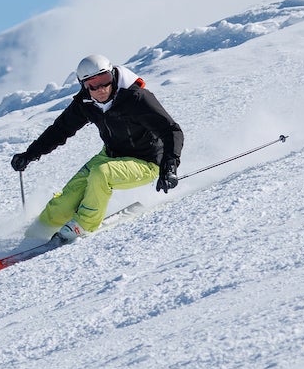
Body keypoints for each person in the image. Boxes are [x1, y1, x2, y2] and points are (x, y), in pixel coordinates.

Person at [10, 54, 185, 242]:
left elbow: (171, 130)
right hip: (109, 156)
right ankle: (35, 235)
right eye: (93, 84)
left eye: (105, 80)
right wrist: (29, 154)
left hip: (147, 161)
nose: (101, 89)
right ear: (84, 85)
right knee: (62, 205)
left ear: (113, 76)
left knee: (102, 173)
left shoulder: (136, 98)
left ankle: (83, 225)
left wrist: (170, 166)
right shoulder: (85, 104)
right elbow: (60, 130)